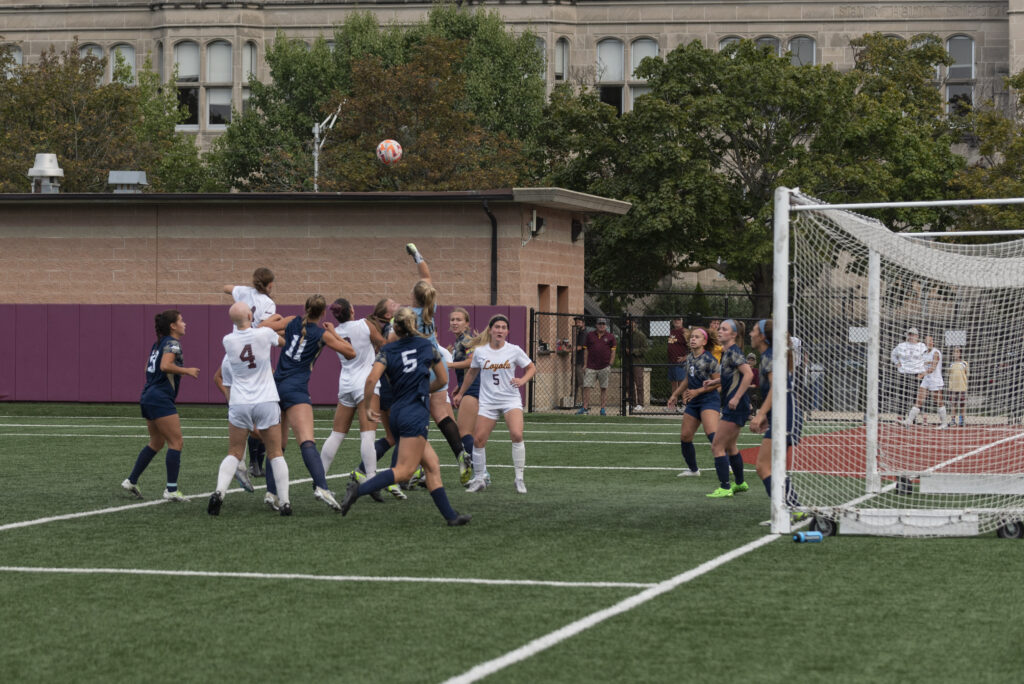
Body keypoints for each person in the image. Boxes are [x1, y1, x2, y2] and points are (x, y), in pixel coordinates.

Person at [339, 307, 471, 526]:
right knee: (405, 471)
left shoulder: (387, 351)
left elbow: (371, 380)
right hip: (415, 412)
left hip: (397, 412)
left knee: (431, 465)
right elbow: (442, 379)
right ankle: (359, 489)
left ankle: (451, 517)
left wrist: (368, 407)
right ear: (415, 326)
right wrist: (425, 389)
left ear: (395, 328)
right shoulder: (426, 346)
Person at [273, 294, 356, 512]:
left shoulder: (292, 322)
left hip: (275, 386)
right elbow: (351, 352)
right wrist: (333, 332)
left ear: (305, 308)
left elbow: (266, 327)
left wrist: (279, 330)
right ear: (322, 313)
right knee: (307, 441)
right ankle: (321, 486)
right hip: (296, 389)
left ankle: (271, 494)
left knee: (276, 446)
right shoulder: (322, 334)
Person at [396, 243, 472, 476]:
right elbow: (426, 275)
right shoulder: (431, 308)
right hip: (436, 366)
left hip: (417, 368)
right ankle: (461, 453)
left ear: (414, 297)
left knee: (411, 419)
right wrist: (416, 254)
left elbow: (391, 339)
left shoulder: (408, 315)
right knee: (440, 414)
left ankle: (413, 469)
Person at [208, 301, 288, 516]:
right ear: (251, 317)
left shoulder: (227, 340)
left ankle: (219, 492)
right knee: (276, 452)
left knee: (234, 452)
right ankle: (285, 502)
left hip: (240, 401)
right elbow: (282, 341)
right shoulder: (263, 334)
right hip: (266, 400)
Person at [121, 309, 200, 501]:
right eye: (181, 320)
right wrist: (186, 371)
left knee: (157, 442)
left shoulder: (158, 344)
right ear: (173, 326)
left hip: (148, 396)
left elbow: (151, 367)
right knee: (176, 442)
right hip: (159, 398)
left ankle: (131, 481)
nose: (185, 323)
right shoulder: (173, 343)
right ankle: (171, 490)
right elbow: (165, 366)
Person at [453, 314, 537, 493]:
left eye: (503, 327)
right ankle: (479, 479)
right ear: (490, 330)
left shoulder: (513, 350)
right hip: (488, 401)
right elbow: (471, 374)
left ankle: (519, 479)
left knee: (516, 434)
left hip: (510, 399)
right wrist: (460, 393)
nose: (500, 330)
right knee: (478, 440)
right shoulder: (481, 351)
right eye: (497, 327)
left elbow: (531, 367)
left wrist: (522, 380)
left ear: (507, 331)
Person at [318, 297, 390, 491]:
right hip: (365, 384)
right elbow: (384, 344)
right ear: (351, 310)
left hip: (346, 384)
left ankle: (320, 479)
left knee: (336, 434)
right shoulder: (364, 324)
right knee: (368, 435)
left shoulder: (334, 332)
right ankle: (373, 479)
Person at [222, 267, 283, 478]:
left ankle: (241, 460)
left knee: (238, 407)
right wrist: (283, 322)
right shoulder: (269, 303)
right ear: (270, 284)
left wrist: (239, 290)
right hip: (254, 348)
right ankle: (251, 461)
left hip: (234, 354)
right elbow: (266, 326)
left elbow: (225, 287)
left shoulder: (243, 292)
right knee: (261, 408)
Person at [749, 319, 805, 521]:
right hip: (786, 417)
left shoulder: (769, 357)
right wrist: (768, 416)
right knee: (775, 468)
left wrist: (761, 413)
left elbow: (777, 388)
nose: (750, 333)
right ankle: (794, 508)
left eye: (754, 330)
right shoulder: (771, 356)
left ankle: (787, 510)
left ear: (763, 336)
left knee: (763, 467)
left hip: (787, 418)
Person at [705, 319, 753, 498]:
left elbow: (748, 374)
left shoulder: (733, 352)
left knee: (717, 445)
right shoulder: (727, 353)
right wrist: (715, 381)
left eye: (724, 329)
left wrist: (737, 397)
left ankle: (725, 487)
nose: (719, 331)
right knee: (731, 446)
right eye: (720, 328)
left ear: (734, 334)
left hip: (735, 406)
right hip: (735, 405)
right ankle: (740, 483)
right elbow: (732, 376)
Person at [666, 327, 720, 477]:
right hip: (694, 401)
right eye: (692, 337)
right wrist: (675, 394)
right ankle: (693, 470)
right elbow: (687, 380)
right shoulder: (689, 357)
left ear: (704, 341)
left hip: (709, 400)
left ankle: (725, 461)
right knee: (685, 436)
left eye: (697, 337)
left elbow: (718, 383)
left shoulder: (710, 359)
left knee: (712, 434)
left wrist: (698, 391)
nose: (693, 339)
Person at [449, 307, 480, 484]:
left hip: (473, 389)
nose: (454, 323)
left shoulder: (467, 340)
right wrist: (458, 386)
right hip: (468, 386)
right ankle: (481, 473)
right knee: (472, 435)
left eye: (459, 320)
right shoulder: (459, 341)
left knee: (464, 433)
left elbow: (471, 362)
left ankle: (480, 473)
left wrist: (450, 365)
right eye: (452, 320)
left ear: (467, 323)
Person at [904, 334, 949, 429]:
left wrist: (922, 375)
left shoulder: (936, 352)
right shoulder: (924, 354)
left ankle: (944, 423)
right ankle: (909, 421)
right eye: (928, 341)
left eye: (931, 341)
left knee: (939, 402)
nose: (930, 343)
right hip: (926, 379)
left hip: (935, 380)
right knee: (919, 400)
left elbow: (933, 368)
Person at [577, 317, 616, 416]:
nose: (601, 325)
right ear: (596, 325)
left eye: (603, 324)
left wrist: (611, 363)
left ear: (606, 325)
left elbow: (613, 351)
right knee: (586, 386)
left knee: (603, 387)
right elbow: (586, 350)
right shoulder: (590, 335)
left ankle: (602, 408)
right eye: (600, 324)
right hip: (591, 366)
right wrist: (585, 364)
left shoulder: (610, 337)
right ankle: (585, 407)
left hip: (604, 366)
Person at [891, 327, 928, 422]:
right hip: (905, 372)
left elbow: (927, 357)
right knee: (903, 395)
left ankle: (913, 417)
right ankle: (901, 415)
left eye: (913, 334)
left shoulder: (922, 346)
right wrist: (896, 363)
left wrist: (924, 370)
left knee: (917, 396)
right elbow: (893, 354)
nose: (911, 336)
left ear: (917, 336)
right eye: (909, 334)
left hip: (917, 373)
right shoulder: (901, 345)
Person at [626, 319, 648, 412]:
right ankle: (632, 403)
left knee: (639, 383)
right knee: (628, 384)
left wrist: (633, 351)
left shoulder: (641, 335)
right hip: (627, 362)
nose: (628, 324)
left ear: (634, 323)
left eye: (630, 322)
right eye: (627, 322)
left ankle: (640, 404)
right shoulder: (626, 335)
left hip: (637, 362)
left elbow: (645, 349)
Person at [666, 318, 688, 411]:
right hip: (672, 362)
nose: (677, 321)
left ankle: (684, 405)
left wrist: (685, 357)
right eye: (675, 320)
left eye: (678, 320)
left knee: (682, 384)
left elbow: (691, 346)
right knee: (674, 384)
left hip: (681, 363)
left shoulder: (684, 332)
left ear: (682, 321)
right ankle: (673, 406)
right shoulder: (672, 332)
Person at [948, 347, 968, 427]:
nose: (956, 353)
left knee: (962, 405)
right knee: (953, 405)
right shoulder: (951, 364)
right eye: (954, 352)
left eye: (957, 352)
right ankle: (953, 420)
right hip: (953, 388)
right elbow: (950, 375)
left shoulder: (964, 363)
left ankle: (962, 420)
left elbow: (966, 374)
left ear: (960, 353)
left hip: (962, 387)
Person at [572, 315, 588, 408]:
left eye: (579, 322)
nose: (577, 324)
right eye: (576, 322)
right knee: (575, 383)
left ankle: (584, 403)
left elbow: (580, 347)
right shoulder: (578, 332)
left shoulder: (583, 333)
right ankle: (574, 402)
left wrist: (570, 349)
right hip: (576, 360)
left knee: (581, 383)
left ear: (583, 323)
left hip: (580, 361)